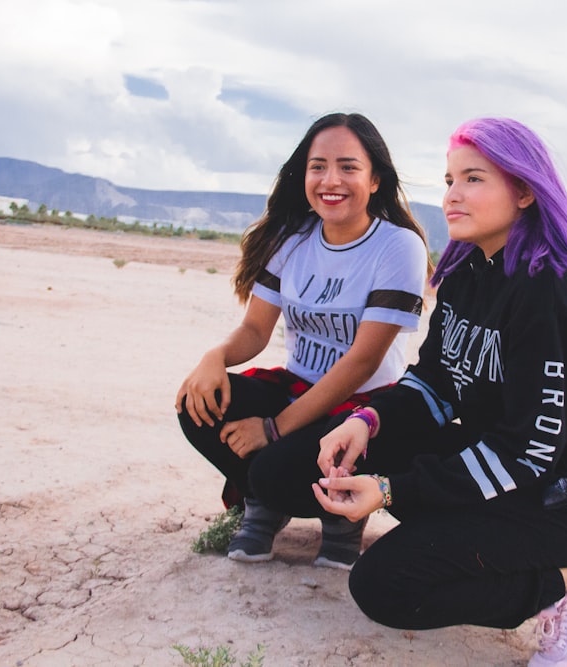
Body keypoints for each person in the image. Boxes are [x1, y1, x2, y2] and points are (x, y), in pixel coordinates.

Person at [249, 117, 567, 666]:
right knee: (293, 466)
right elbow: (434, 384)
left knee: (385, 587)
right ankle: (465, 535)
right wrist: (363, 422)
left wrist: (391, 492)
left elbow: (525, 452)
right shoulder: (467, 273)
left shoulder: (548, 296)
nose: (451, 196)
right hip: (500, 464)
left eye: (474, 179)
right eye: (448, 180)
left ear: (526, 191)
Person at [176, 112, 430, 570]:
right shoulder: (291, 238)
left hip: (364, 408)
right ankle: (262, 501)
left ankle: (339, 517)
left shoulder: (398, 246)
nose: (331, 179)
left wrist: (272, 431)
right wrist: (213, 357)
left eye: (349, 167)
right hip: (298, 387)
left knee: (274, 466)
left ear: (375, 181)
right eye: (318, 166)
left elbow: (362, 361)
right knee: (196, 404)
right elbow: (255, 331)